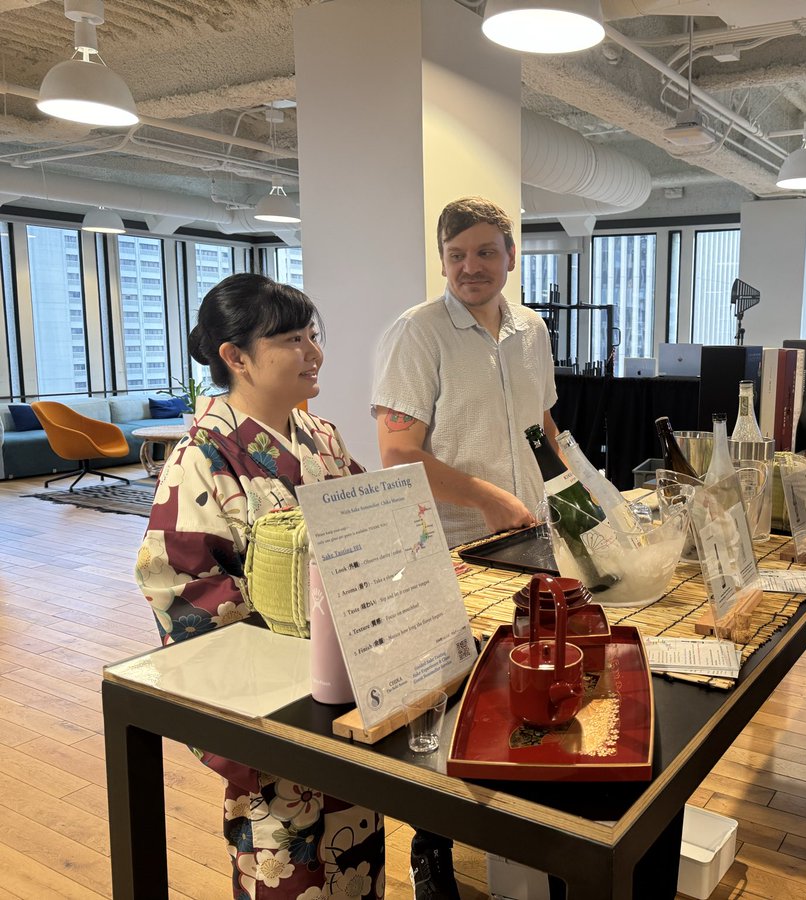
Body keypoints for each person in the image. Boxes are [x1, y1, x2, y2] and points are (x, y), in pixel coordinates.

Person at [136, 274, 399, 899]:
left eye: (313, 335)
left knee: (358, 842)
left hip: (347, 677)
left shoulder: (323, 438)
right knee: (289, 861)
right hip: (279, 698)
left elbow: (371, 524)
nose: (314, 353)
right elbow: (181, 588)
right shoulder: (201, 458)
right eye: (291, 339)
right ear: (235, 357)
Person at [372, 197, 558, 550]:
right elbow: (397, 454)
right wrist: (486, 498)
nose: (470, 267)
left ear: (511, 256)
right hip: (456, 548)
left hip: (536, 531)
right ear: (443, 262)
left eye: (485, 253)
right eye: (456, 255)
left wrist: (576, 491)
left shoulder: (533, 329)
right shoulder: (417, 332)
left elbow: (543, 427)